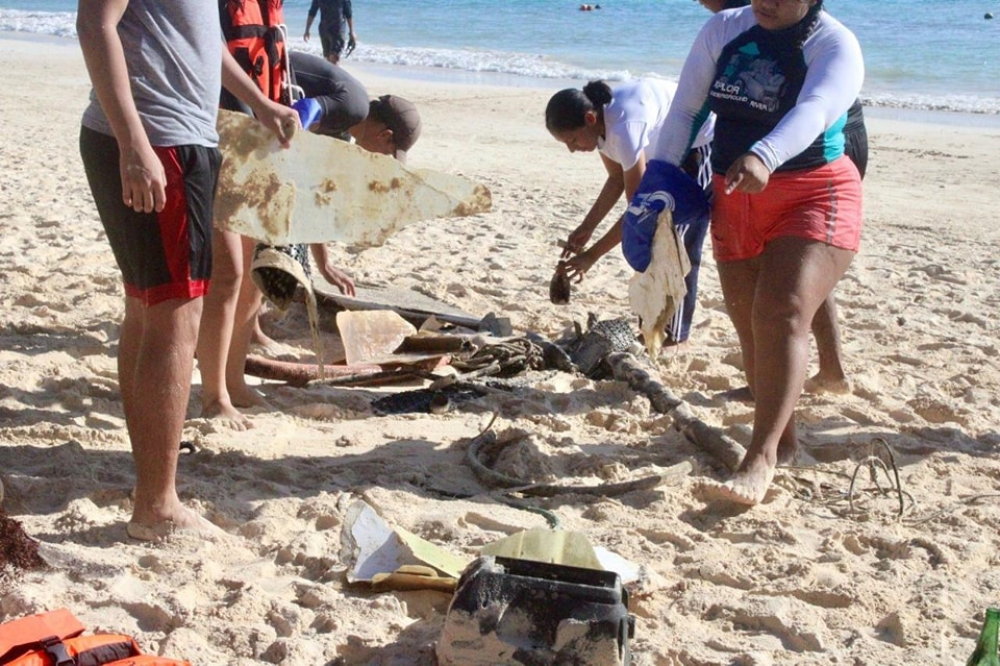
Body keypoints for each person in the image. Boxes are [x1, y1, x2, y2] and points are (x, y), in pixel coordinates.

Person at [77, 0, 298, 539]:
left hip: (177, 138)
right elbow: (94, 24)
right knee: (175, 317)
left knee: (149, 309)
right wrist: (134, 142)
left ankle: (151, 488)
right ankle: (156, 505)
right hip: (158, 141)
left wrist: (259, 103)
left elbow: (200, 41)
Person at [656, 0, 864, 504]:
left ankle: (761, 456)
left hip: (814, 190)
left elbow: (813, 110)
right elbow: (686, 110)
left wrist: (765, 155)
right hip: (735, 195)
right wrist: (659, 182)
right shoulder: (723, 30)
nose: (765, 0)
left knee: (781, 311)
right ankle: (785, 440)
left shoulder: (835, 44)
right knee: (749, 321)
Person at [197, 47, 422, 420]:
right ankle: (220, 380)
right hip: (235, 126)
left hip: (252, 135)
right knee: (236, 268)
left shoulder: (343, 131)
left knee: (256, 264)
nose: (378, 162)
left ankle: (235, 372)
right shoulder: (353, 105)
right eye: (387, 154)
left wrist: (325, 262)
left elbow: (313, 192)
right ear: (385, 136)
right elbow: (298, 117)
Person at [703, 0, 867, 395]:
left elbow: (815, 108)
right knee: (789, 273)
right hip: (761, 157)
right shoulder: (735, 23)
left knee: (796, 270)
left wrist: (765, 154)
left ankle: (823, 370)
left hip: (823, 143)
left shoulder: (790, 22)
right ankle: (786, 380)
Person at [546, 78, 715, 346]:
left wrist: (592, 255)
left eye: (572, 140)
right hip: (664, 148)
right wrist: (587, 227)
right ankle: (653, 323)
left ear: (590, 119)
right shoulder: (600, 126)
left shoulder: (624, 127)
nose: (572, 149)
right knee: (653, 240)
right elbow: (616, 179)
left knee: (673, 241)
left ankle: (672, 334)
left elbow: (639, 211)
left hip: (698, 141)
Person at [304, 0, 356, 65]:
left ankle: (334, 74)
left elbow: (348, 14)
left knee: (334, 59)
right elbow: (312, 12)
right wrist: (307, 30)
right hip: (324, 30)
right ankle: (329, 75)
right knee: (327, 60)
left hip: (337, 31)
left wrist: (351, 32)